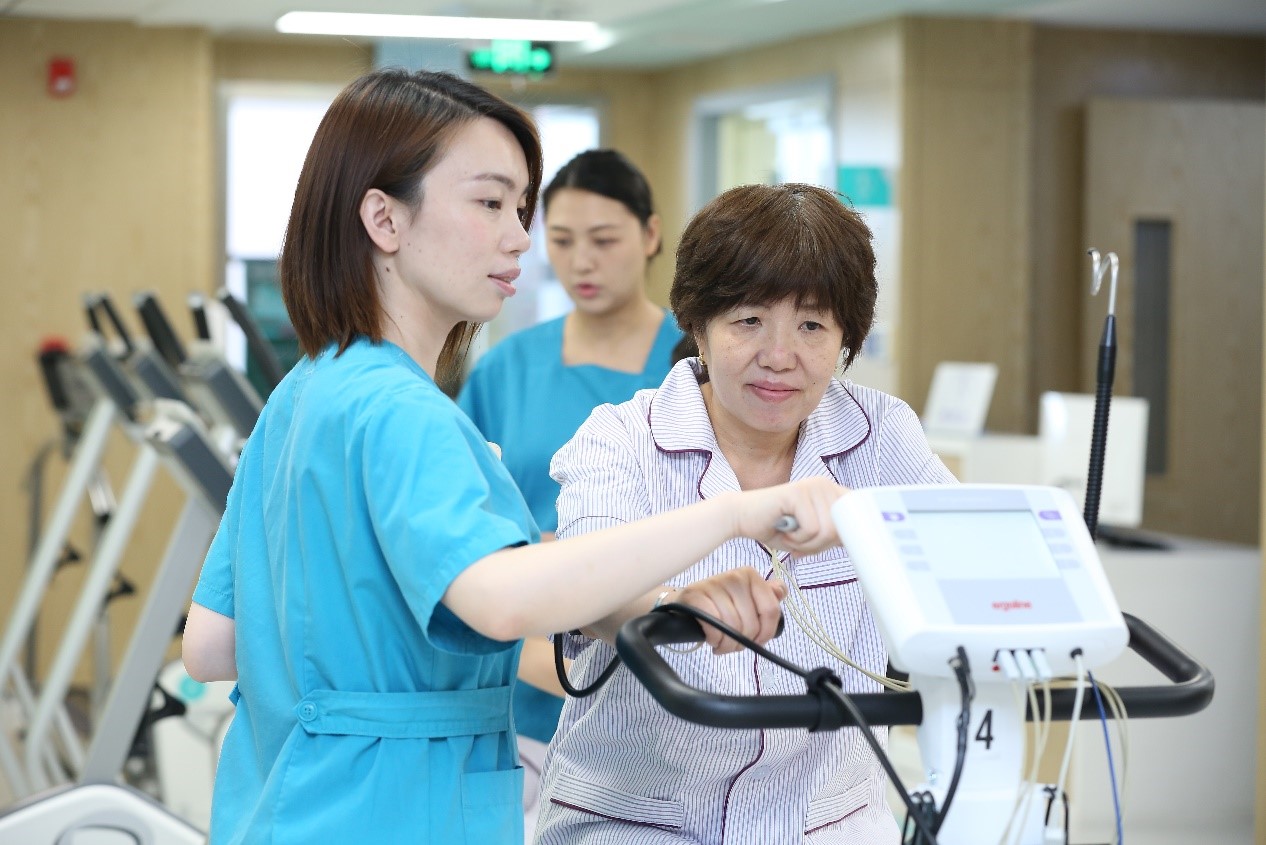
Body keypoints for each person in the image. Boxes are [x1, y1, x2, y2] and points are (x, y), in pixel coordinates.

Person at [180, 70, 847, 845]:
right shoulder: (404, 412)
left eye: (521, 207)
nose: (520, 238)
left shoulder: (306, 389)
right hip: (395, 812)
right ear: (384, 218)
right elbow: (502, 601)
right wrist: (735, 513)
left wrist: (658, 603)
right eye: (490, 203)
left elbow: (212, 642)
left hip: (285, 805)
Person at [533, 183, 957, 845]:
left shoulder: (882, 436)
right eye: (749, 320)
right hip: (638, 822)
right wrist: (676, 607)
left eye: (812, 326)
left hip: (829, 823)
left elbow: (957, 554)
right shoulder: (620, 440)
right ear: (699, 327)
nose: (780, 356)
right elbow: (587, 591)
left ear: (846, 338)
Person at [456, 149, 680, 792]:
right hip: (520, 696)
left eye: (604, 240)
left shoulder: (694, 369)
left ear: (650, 235)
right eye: (561, 240)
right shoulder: (507, 369)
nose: (581, 261)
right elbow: (465, 528)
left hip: (661, 693)